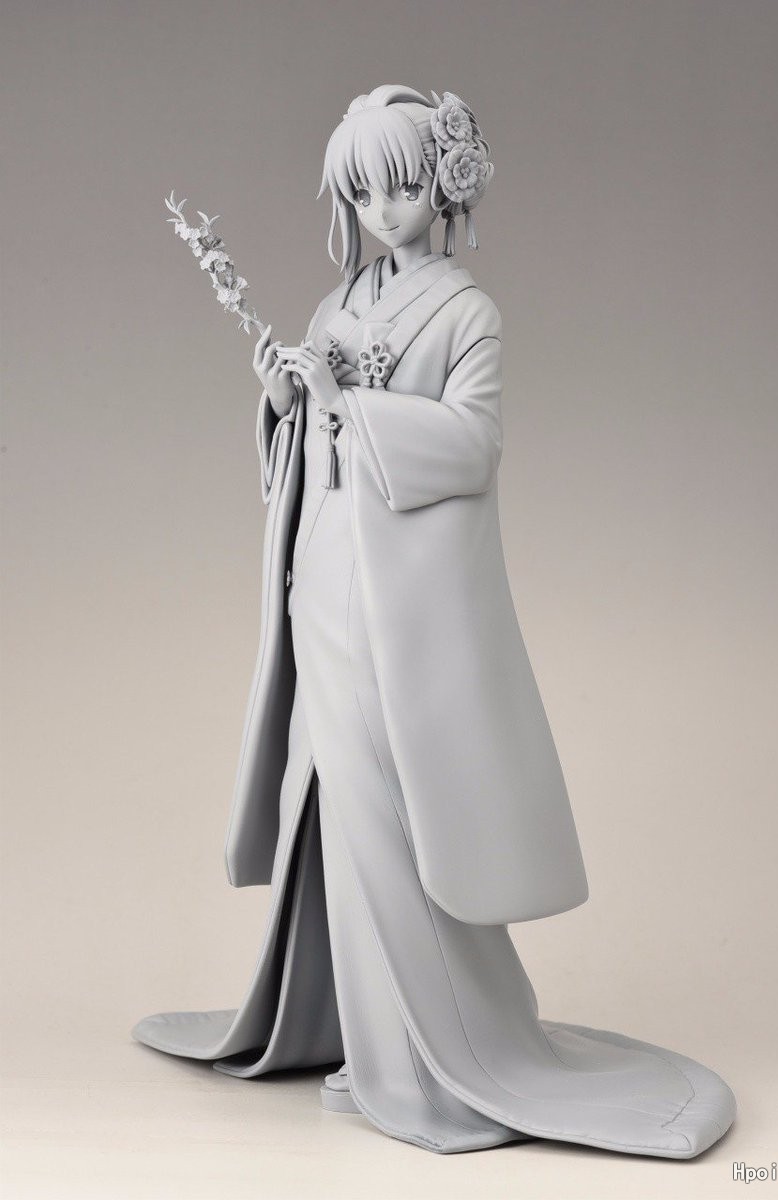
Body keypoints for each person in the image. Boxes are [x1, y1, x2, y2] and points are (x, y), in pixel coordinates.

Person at [132, 84, 736, 1157]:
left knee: (387, 816)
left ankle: (416, 1055)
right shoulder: (336, 303)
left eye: (400, 186)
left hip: (393, 599)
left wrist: (353, 406)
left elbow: (471, 445)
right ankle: (352, 1034)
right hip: (321, 570)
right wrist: (284, 401)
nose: (381, 210)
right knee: (329, 804)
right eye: (361, 193)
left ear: (444, 186)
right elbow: (306, 447)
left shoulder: (467, 313)